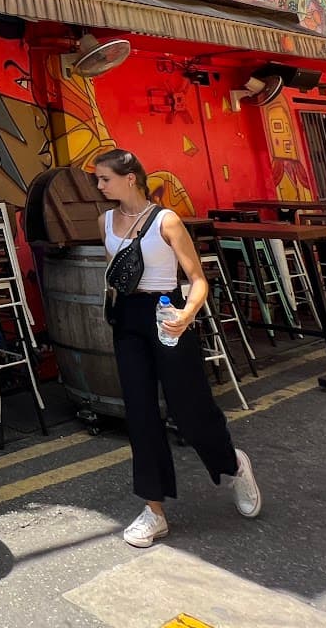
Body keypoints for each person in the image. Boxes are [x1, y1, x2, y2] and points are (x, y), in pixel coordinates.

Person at [92, 147, 262, 547]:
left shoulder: (166, 220)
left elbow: (198, 278)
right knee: (140, 413)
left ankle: (233, 464)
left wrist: (187, 315)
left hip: (167, 312)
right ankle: (154, 511)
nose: (99, 186)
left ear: (129, 178)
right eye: (98, 179)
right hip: (128, 319)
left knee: (191, 409)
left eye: (105, 179)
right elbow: (118, 274)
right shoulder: (105, 221)